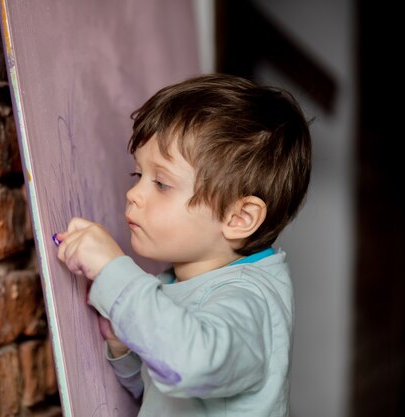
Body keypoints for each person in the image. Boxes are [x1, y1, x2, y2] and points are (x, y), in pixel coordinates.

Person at [55, 73, 312, 417]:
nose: (134, 194)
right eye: (138, 176)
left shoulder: (250, 304)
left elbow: (191, 365)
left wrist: (114, 271)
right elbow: (168, 399)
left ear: (238, 218)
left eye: (160, 183)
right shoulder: (180, 282)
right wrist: (124, 347)